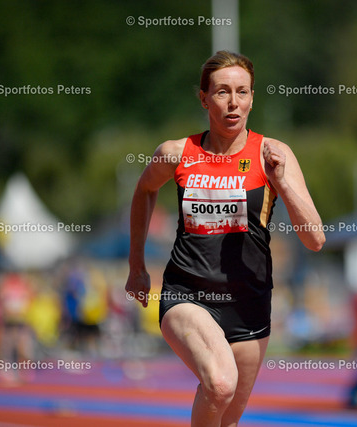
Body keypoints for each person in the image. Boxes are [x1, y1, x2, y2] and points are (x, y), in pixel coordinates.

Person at [125, 50, 325, 427]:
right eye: (222, 92)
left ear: (252, 98)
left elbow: (315, 239)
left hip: (249, 304)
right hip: (188, 294)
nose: (233, 102)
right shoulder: (176, 153)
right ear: (204, 99)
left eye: (242, 92)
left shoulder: (273, 154)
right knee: (219, 384)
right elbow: (145, 189)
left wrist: (282, 183)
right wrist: (137, 265)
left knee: (227, 418)